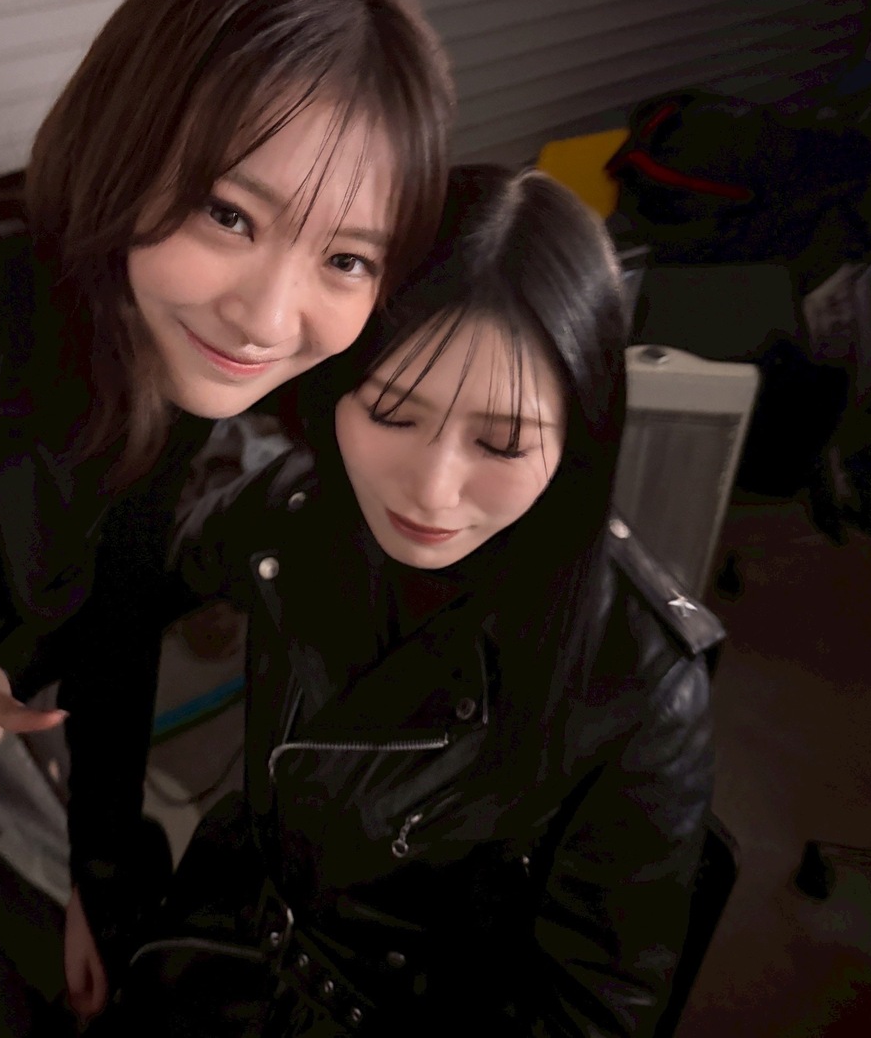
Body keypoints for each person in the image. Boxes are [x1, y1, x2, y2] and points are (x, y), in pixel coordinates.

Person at [0, 0, 453, 1034]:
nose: (265, 318)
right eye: (229, 214)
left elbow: (114, 620)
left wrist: (99, 878)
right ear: (122, 143)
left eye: (345, 259)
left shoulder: (156, 353)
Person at [97, 164, 722, 1036]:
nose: (430, 493)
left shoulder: (643, 683)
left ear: (580, 442)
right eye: (391, 414)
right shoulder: (302, 503)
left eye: (501, 444)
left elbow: (591, 1011)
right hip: (217, 939)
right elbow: (119, 591)